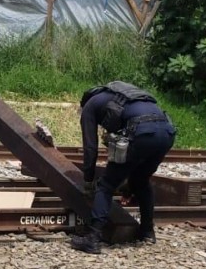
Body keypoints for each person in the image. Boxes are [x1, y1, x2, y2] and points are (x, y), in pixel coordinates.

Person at [71, 81, 176, 254]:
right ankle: (147, 232)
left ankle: (92, 239)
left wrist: (88, 180)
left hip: (141, 132)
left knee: (105, 186)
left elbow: (90, 148)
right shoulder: (124, 96)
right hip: (166, 132)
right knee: (141, 182)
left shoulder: (90, 106)